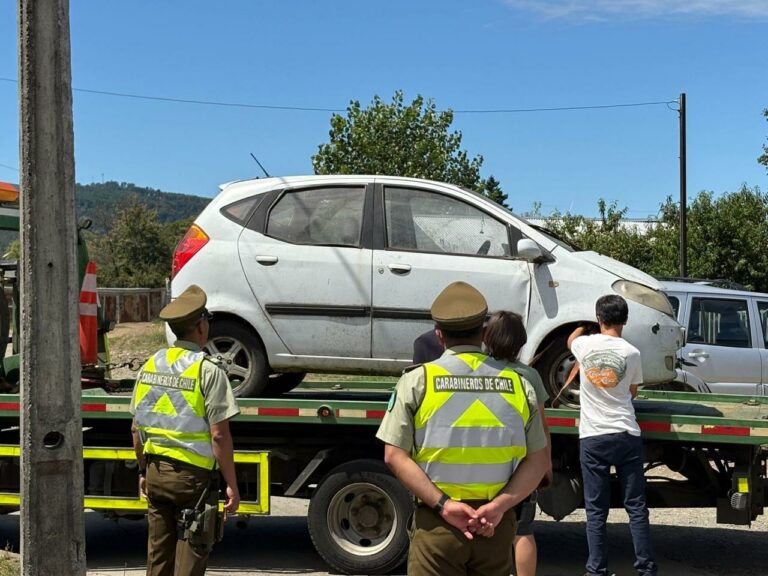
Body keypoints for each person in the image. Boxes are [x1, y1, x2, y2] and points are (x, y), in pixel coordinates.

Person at [377, 281, 549, 576]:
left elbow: (394, 456)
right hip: (494, 529)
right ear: (483, 334)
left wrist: (444, 506)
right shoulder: (519, 384)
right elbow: (539, 461)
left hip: (437, 527)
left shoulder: (418, 381)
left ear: (439, 335)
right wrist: (497, 508)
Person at [131, 284, 241, 576]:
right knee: (191, 557)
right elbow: (219, 435)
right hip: (194, 481)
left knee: (157, 557)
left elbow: (136, 428)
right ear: (201, 327)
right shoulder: (209, 371)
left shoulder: (150, 366)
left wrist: (143, 471)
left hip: (156, 473)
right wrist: (232, 483)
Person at [568, 295, 658, 576]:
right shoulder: (632, 352)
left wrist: (583, 328)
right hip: (626, 433)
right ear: (625, 320)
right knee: (636, 507)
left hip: (593, 436)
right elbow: (633, 392)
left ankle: (596, 569)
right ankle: (646, 568)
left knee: (596, 510)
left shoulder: (583, 345)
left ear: (599, 318)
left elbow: (570, 339)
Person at [484, 310, 552, 576]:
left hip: (485, 462)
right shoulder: (529, 376)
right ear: (521, 342)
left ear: (486, 338)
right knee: (522, 530)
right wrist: (544, 467)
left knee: (486, 528)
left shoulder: (479, 370)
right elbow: (542, 427)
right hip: (520, 465)